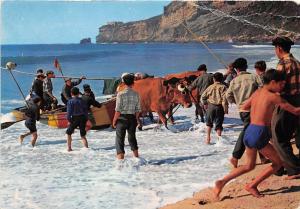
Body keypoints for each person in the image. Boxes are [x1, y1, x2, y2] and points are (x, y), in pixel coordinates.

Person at [213, 69, 300, 199]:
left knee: (249, 165)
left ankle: (222, 182)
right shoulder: (274, 97)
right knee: (278, 163)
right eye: (281, 84)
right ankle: (252, 185)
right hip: (260, 133)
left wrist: (261, 107)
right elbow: (295, 111)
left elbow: (245, 106)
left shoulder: (257, 92)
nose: (283, 87)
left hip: (249, 130)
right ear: (272, 82)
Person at [226, 58, 264, 168]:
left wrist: (237, 102)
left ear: (236, 69)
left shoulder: (234, 81)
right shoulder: (254, 77)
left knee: (256, 131)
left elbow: (228, 95)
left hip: (242, 111)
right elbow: (262, 89)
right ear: (246, 66)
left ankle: (263, 157)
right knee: (250, 131)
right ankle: (235, 156)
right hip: (255, 109)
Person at [271, 36, 300, 179]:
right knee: (288, 135)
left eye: (275, 49)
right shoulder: (297, 63)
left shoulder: (282, 63)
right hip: (298, 101)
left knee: (279, 137)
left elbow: (278, 86)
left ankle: (294, 169)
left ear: (279, 48)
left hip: (286, 101)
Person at [112, 73, 142, 160]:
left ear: (124, 83)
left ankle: (120, 162)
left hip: (122, 118)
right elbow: (138, 109)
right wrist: (136, 119)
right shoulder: (136, 94)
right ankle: (137, 158)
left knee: (119, 140)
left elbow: (118, 110)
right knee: (132, 138)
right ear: (133, 83)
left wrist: (114, 120)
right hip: (132, 118)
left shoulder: (120, 94)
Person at [201, 72, 228, 144]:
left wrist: (205, 103)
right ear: (222, 79)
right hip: (220, 107)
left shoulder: (210, 87)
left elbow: (203, 96)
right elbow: (225, 99)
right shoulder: (224, 87)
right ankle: (219, 140)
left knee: (209, 123)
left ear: (213, 79)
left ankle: (208, 139)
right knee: (219, 124)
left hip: (211, 106)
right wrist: (225, 109)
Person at [66, 87, 88, 152]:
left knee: (68, 133)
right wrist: (86, 119)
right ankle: (86, 148)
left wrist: (70, 121)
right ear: (78, 93)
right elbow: (86, 112)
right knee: (83, 135)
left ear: (71, 93)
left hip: (74, 119)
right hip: (83, 118)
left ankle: (69, 148)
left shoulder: (70, 101)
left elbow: (68, 114)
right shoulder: (82, 100)